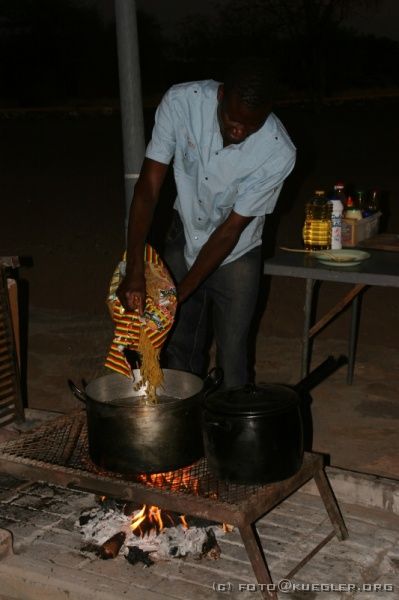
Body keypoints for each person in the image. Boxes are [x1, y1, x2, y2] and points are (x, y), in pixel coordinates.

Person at [117, 57, 296, 388]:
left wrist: (179, 293)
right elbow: (148, 189)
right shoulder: (182, 103)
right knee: (180, 347)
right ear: (221, 95)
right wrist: (135, 269)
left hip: (236, 253)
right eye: (231, 119)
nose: (238, 131)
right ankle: (186, 426)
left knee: (233, 357)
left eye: (251, 125)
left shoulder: (278, 152)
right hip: (183, 235)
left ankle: (233, 430)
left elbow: (230, 230)